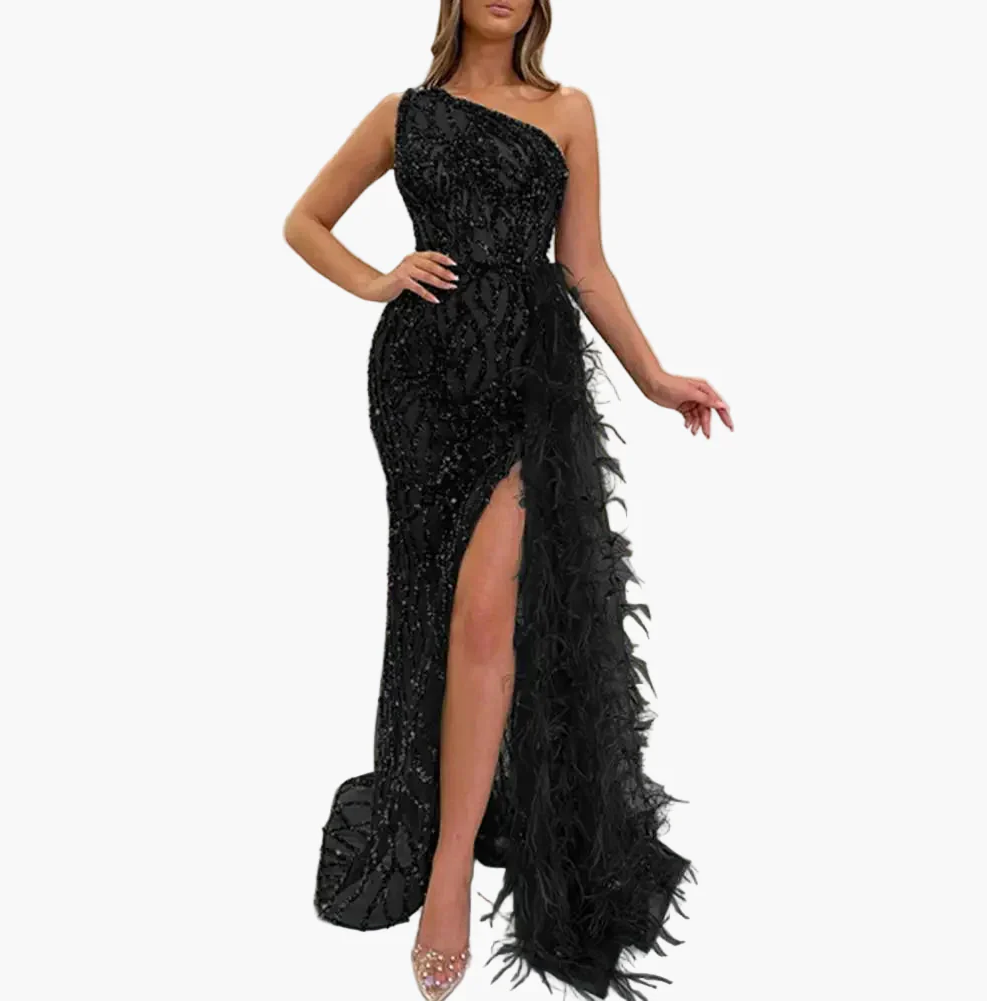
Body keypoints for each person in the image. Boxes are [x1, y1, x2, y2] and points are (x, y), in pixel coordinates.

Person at [283, 2, 733, 999]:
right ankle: (442, 820)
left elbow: (583, 264)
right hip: (419, 381)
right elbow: (303, 222)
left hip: (527, 380)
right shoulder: (402, 113)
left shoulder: (568, 109)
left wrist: (655, 379)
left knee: (487, 621)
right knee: (427, 604)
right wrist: (376, 279)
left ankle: (448, 876)